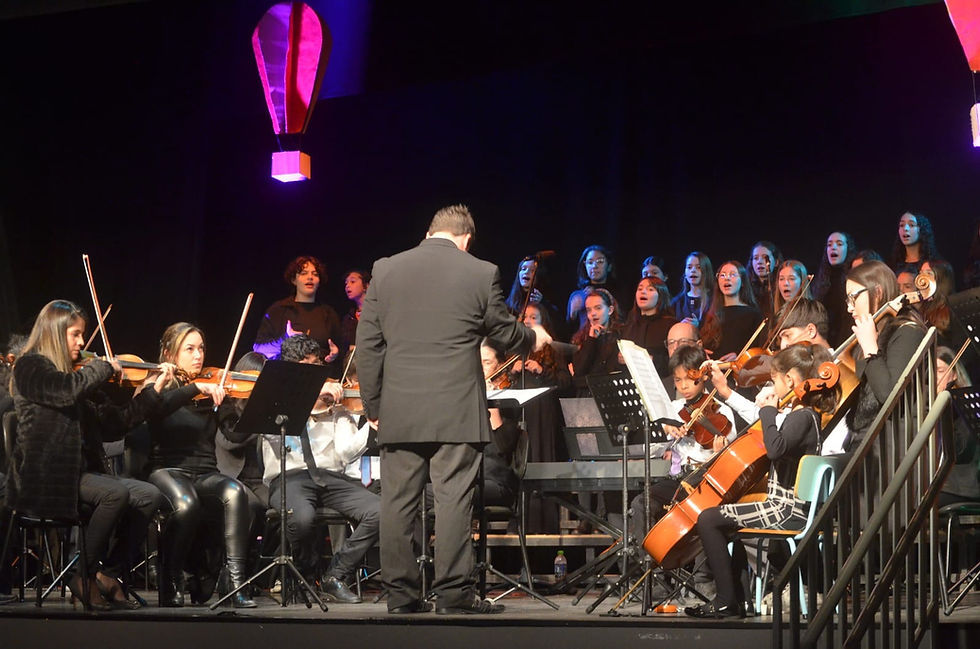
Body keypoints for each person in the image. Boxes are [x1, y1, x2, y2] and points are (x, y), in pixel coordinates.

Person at [356, 204, 549, 615]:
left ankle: (402, 597)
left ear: (430, 232)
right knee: (453, 501)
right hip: (456, 410)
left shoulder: (386, 270)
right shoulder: (478, 272)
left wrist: (374, 405)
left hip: (401, 409)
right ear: (465, 239)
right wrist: (533, 337)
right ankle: (453, 595)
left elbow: (368, 345)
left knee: (397, 503)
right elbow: (503, 332)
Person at [5, 300, 166, 610]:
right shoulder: (31, 367)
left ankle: (109, 574)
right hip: (44, 477)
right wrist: (101, 367)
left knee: (149, 495)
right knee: (115, 492)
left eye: (82, 335)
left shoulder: (79, 377)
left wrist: (152, 393)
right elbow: (65, 390)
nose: (81, 343)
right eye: (75, 334)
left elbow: (115, 424)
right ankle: (80, 574)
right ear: (54, 332)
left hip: (78, 475)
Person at [685, 343, 840, 618]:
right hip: (786, 507)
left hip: (786, 510)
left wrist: (768, 412)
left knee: (709, 519)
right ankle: (737, 600)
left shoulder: (802, 416)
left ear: (790, 380)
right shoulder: (802, 415)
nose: (772, 386)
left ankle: (725, 601)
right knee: (724, 521)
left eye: (774, 380)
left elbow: (775, 447)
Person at [145, 322, 260, 608]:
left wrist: (243, 406)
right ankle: (171, 579)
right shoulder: (156, 384)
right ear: (171, 354)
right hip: (167, 470)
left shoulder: (212, 389)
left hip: (205, 472)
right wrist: (194, 387)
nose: (199, 355)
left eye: (201, 349)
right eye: (190, 349)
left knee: (235, 492)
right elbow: (155, 408)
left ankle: (234, 583)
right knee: (186, 504)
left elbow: (233, 435)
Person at [260, 334, 378, 604]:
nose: (313, 374)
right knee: (301, 520)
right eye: (305, 367)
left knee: (381, 512)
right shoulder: (274, 397)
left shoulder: (334, 403)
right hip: (290, 477)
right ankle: (305, 571)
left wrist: (369, 426)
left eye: (316, 366)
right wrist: (309, 401)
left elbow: (347, 452)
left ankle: (334, 575)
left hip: (330, 479)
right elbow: (272, 436)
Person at [628, 345, 736, 545]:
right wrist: (666, 431)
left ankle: (703, 575)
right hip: (678, 479)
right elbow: (649, 450)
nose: (684, 386)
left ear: (703, 376)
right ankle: (650, 564)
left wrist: (719, 452)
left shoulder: (723, 411)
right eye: (678, 380)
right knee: (641, 503)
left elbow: (731, 460)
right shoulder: (672, 410)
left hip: (705, 482)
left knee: (702, 517)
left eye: (689, 378)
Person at [842, 261, 927, 454]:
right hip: (864, 443)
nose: (849, 308)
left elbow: (890, 395)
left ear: (878, 292)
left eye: (853, 298)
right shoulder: (870, 335)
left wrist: (871, 348)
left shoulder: (907, 332)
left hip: (889, 449)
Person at [253, 255, 343, 377]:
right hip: (282, 377)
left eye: (315, 274)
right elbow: (258, 349)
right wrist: (285, 338)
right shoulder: (278, 310)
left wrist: (336, 355)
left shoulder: (328, 314)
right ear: (294, 280)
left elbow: (341, 349)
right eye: (303, 273)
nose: (310, 277)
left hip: (319, 380)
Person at [935, 346, 980, 509]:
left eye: (939, 370)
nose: (934, 376)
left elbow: (959, 449)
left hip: (960, 487)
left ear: (954, 373)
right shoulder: (929, 404)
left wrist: (940, 413)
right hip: (939, 484)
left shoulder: (965, 402)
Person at [700, 261, 763, 360]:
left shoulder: (753, 315)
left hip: (740, 372)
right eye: (722, 275)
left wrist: (740, 357)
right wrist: (701, 351)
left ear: (742, 281)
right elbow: (701, 342)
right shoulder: (710, 314)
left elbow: (758, 349)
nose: (727, 278)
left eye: (732, 275)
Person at [571, 287, 624, 395]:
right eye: (588, 310)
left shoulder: (621, 335)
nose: (593, 313)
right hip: (587, 397)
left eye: (598, 308)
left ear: (610, 310)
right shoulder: (581, 338)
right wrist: (591, 339)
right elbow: (578, 374)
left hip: (612, 394)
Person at [621, 277, 677, 377]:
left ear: (661, 295)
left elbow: (677, 361)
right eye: (640, 289)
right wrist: (620, 359)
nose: (643, 292)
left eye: (650, 289)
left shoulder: (671, 325)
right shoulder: (630, 326)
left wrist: (650, 359)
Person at [813, 231, 858, 347]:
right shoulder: (821, 280)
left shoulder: (854, 279)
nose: (833, 247)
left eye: (839, 244)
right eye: (829, 244)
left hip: (848, 342)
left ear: (848, 249)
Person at [567, 245, 617, 331]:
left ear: (609, 266)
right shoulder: (578, 295)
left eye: (600, 261)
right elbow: (568, 330)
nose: (594, 266)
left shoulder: (617, 293)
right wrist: (573, 314)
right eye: (590, 262)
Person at [671, 251, 714, 327]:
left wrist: (698, 326)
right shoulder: (677, 302)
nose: (693, 270)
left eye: (698, 267)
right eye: (689, 267)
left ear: (706, 271)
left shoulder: (714, 299)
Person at [891, 211, 940, 275]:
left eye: (911, 225)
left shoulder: (933, 265)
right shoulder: (893, 265)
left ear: (922, 230)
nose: (905, 229)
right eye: (902, 225)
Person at [747, 241, 782, 324]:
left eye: (764, 257)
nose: (759, 261)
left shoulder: (782, 286)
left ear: (776, 262)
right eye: (755, 258)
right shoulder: (746, 287)